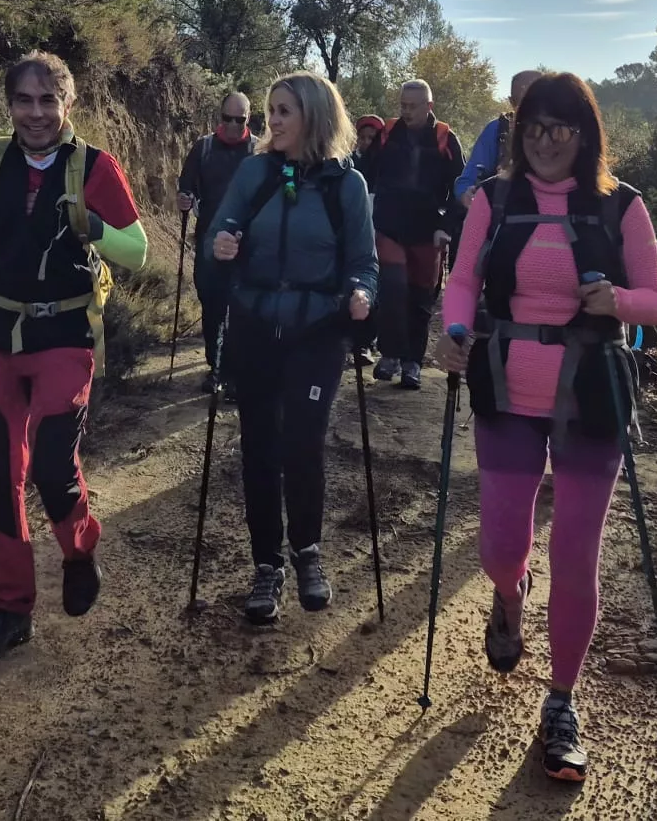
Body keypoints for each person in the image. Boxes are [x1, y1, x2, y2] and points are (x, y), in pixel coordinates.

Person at [437, 72, 657, 784]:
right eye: (534, 127)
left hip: (592, 396)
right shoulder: (493, 201)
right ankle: (510, 597)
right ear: (518, 130)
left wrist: (616, 299)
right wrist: (451, 328)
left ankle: (561, 703)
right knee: (502, 547)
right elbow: (464, 281)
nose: (545, 141)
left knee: (576, 555)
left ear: (585, 132)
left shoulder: (623, 206)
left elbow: (654, 302)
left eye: (561, 128)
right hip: (505, 389)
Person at [0, 51, 148, 666]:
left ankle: (79, 548)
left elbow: (135, 250)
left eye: (48, 101)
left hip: (64, 331)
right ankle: (10, 609)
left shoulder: (94, 166)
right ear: (10, 105)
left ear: (68, 105)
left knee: (54, 460)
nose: (36, 113)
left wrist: (88, 224)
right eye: (25, 101)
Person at [208, 71, 377, 625]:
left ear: (314, 116)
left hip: (316, 330)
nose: (271, 121)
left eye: (283, 111)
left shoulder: (346, 187)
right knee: (258, 445)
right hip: (256, 324)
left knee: (302, 441)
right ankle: (267, 566)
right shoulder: (254, 172)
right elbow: (221, 233)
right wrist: (224, 244)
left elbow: (363, 262)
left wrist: (361, 292)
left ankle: (306, 553)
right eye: (270, 110)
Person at [369, 79, 463, 388]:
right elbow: (364, 174)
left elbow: (460, 190)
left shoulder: (446, 140)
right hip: (390, 228)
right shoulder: (387, 135)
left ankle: (412, 363)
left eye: (413, 106)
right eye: (402, 106)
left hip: (428, 234)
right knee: (393, 289)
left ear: (429, 106)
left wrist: (445, 227)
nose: (406, 112)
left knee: (421, 300)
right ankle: (390, 355)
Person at [177, 91, 259, 382]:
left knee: (242, 307)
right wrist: (185, 198)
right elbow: (186, 185)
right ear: (219, 117)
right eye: (228, 118)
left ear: (249, 118)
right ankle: (218, 365)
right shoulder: (204, 148)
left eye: (241, 119)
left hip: (249, 246)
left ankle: (236, 370)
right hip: (210, 241)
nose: (235, 125)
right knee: (211, 303)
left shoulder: (259, 151)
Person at [454, 70, 542, 205]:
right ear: (512, 102)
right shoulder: (496, 130)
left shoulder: (566, 132)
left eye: (538, 100)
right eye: (523, 102)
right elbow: (466, 182)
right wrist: (467, 195)